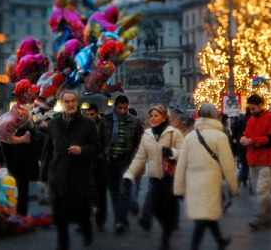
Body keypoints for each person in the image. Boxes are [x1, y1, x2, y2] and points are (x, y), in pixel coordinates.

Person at [174, 103, 237, 250]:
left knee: (205, 214)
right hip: (212, 181)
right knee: (205, 215)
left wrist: (178, 188)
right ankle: (196, 246)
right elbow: (228, 165)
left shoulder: (190, 137)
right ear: (215, 116)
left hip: (193, 181)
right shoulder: (220, 136)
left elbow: (182, 163)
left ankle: (219, 240)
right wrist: (233, 186)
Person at [40, 90, 99, 250]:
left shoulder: (88, 123)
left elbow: (96, 148)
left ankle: (87, 230)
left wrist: (82, 150)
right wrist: (44, 175)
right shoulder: (53, 124)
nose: (71, 104)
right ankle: (62, 242)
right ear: (61, 103)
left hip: (80, 175)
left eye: (73, 101)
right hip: (58, 175)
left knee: (82, 210)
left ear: (77, 102)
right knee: (59, 213)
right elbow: (48, 150)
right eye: (67, 101)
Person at [123, 104, 184, 250]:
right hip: (154, 177)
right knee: (155, 208)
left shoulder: (173, 133)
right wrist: (129, 175)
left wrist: (173, 153)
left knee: (167, 208)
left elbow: (185, 152)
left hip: (170, 177)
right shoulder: (147, 135)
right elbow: (139, 157)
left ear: (164, 117)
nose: (153, 118)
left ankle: (165, 238)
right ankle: (166, 230)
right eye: (151, 116)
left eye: (156, 116)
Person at [101, 95, 143, 234]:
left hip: (126, 160)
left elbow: (139, 141)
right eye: (120, 108)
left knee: (123, 191)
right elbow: (100, 140)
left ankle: (120, 221)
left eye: (125, 108)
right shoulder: (106, 120)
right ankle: (120, 219)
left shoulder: (135, 122)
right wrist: (102, 156)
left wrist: (135, 158)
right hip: (110, 160)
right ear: (115, 106)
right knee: (113, 192)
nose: (123, 111)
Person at [240, 94, 271, 230]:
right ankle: (269, 218)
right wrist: (244, 138)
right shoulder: (251, 120)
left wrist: (252, 141)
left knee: (261, 190)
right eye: (250, 109)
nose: (251, 111)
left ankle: (258, 218)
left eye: (253, 108)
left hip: (267, 161)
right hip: (253, 160)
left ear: (261, 105)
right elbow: (246, 133)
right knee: (261, 192)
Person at [1, 119, 39, 216]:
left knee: (17, 189)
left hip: (16, 165)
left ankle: (17, 212)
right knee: (23, 190)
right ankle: (21, 212)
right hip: (26, 166)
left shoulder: (15, 135)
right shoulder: (32, 134)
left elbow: (6, 149)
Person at [83, 103, 107, 232]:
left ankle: (100, 221)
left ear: (97, 114)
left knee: (101, 193)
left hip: (99, 163)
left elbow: (106, 143)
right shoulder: (82, 126)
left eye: (92, 114)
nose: (90, 117)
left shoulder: (103, 125)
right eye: (87, 115)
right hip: (86, 163)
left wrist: (102, 156)